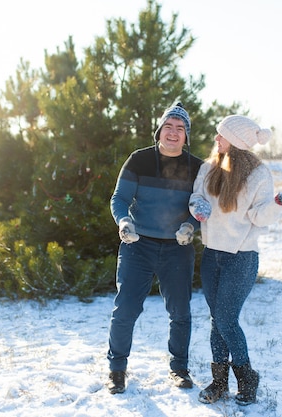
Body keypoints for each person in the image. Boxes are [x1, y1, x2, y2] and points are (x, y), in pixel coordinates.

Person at [188, 115, 282, 405]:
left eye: (221, 135)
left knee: (227, 320)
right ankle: (219, 383)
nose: (216, 139)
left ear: (237, 142)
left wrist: (278, 203)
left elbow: (258, 215)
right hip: (211, 255)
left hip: (241, 259)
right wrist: (197, 205)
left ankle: (247, 377)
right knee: (217, 321)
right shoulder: (209, 168)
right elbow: (195, 196)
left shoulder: (258, 175)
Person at [106, 102, 204, 394]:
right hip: (138, 245)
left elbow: (203, 206)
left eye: (180, 128)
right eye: (169, 127)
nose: (173, 133)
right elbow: (119, 198)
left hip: (178, 247)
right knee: (126, 309)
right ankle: (116, 369)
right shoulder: (139, 160)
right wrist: (124, 222)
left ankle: (180, 368)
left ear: (186, 136)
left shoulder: (198, 168)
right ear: (159, 131)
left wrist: (191, 225)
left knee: (180, 312)